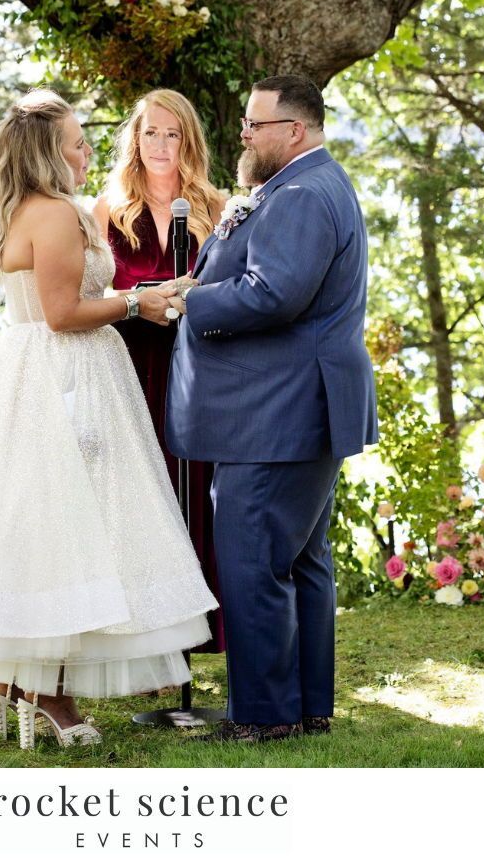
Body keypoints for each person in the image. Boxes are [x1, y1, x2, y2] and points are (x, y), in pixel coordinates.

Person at [0, 89, 217, 750]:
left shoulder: (21, 210)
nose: (87, 151)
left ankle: (20, 679)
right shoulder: (59, 214)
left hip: (30, 373)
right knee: (70, 526)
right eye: (75, 143)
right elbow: (64, 313)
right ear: (47, 154)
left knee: (43, 527)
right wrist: (137, 303)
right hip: (67, 377)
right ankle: (45, 690)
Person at [166, 75, 378, 743]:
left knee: (255, 560)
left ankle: (263, 717)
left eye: (257, 124)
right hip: (296, 405)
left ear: (295, 130)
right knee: (300, 561)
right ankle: (306, 705)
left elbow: (271, 294)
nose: (245, 134)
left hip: (275, 410)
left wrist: (187, 300)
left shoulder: (302, 195)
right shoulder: (304, 185)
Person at [93, 90, 225, 652]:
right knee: (140, 492)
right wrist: (137, 297)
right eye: (151, 133)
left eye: (173, 134)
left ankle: (197, 635)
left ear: (188, 141)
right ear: (135, 138)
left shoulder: (215, 207)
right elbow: (91, 289)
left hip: (195, 365)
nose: (161, 145)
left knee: (196, 488)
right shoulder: (108, 207)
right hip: (129, 364)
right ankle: (143, 639)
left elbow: (230, 285)